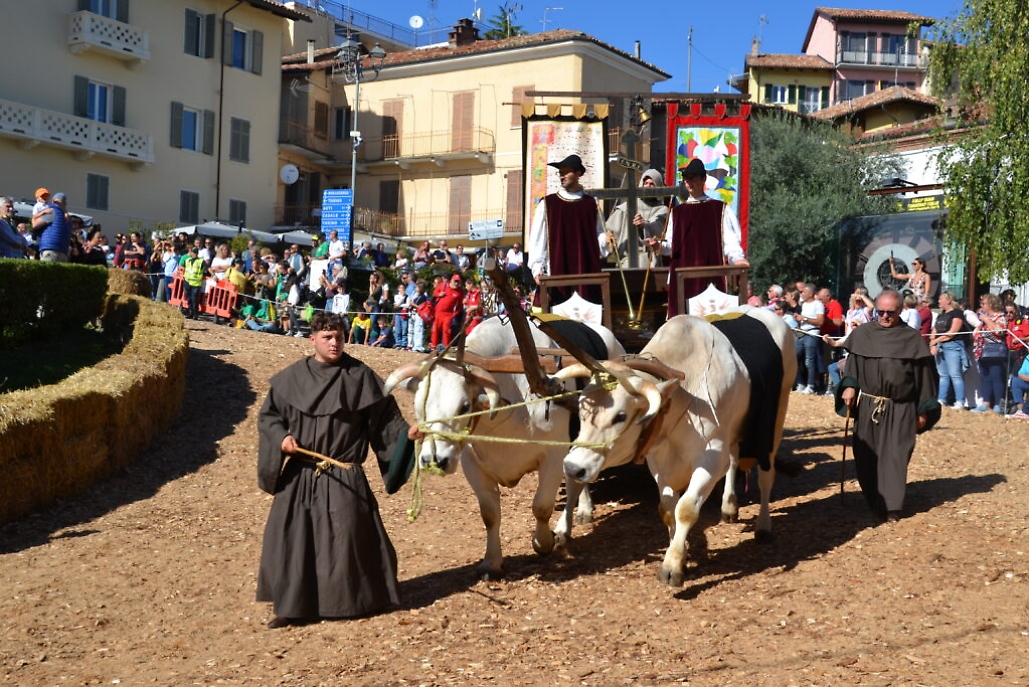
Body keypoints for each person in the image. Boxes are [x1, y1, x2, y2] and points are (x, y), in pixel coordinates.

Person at [256, 311, 414, 629]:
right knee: (293, 540)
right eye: (327, 337)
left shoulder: (360, 377)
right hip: (301, 474)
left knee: (349, 538)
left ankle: (358, 600)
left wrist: (407, 437)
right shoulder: (291, 379)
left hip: (344, 473)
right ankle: (291, 607)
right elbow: (269, 418)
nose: (334, 342)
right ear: (312, 339)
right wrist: (280, 438)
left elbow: (386, 423)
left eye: (339, 336)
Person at [836, 289, 940, 523]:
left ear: (900, 310)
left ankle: (892, 506)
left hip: (901, 407)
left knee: (895, 455)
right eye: (880, 311)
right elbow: (852, 365)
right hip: (869, 405)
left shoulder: (911, 339)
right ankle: (875, 499)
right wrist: (850, 386)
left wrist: (924, 411)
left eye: (890, 312)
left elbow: (926, 378)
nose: (884, 316)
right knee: (866, 455)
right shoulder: (863, 334)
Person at [646, 158, 748, 318]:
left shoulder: (719, 209)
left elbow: (730, 242)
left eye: (692, 178)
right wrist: (658, 246)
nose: (688, 182)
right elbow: (672, 246)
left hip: (710, 278)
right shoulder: (677, 212)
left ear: (703, 179)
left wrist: (738, 259)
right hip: (682, 281)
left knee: (714, 324)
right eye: (686, 179)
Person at [526, 153, 610, 303]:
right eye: (560, 172)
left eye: (566, 172)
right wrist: (537, 269)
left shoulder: (592, 204)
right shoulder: (548, 204)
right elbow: (537, 241)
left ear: (578, 173)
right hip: (556, 278)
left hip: (586, 275)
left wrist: (606, 240)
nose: (562, 176)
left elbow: (598, 235)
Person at [605, 168, 668, 268]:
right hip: (627, 262)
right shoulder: (626, 208)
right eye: (646, 183)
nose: (648, 186)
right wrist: (609, 236)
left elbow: (659, 229)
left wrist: (644, 226)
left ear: (658, 187)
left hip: (651, 263)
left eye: (652, 184)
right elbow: (609, 232)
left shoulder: (662, 210)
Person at [929, 291, 971, 410]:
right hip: (940, 346)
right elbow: (935, 330)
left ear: (948, 300)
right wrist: (933, 344)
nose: (939, 302)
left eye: (941, 299)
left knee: (955, 375)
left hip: (953, 346)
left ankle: (960, 401)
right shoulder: (941, 315)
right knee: (943, 375)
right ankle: (941, 400)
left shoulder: (957, 313)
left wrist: (935, 341)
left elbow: (952, 332)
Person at [971, 293, 1008, 414]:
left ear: (991, 304)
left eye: (983, 304)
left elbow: (999, 331)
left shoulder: (1000, 317)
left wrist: (986, 321)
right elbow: (976, 334)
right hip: (982, 351)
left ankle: (998, 404)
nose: (981, 306)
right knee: (985, 378)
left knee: (996, 377)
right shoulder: (983, 320)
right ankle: (986, 403)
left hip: (995, 351)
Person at [792, 283, 824, 394]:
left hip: (812, 333)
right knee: (794, 358)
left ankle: (810, 386)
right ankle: (800, 383)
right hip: (801, 333)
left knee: (809, 360)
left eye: (804, 292)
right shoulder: (804, 305)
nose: (802, 294)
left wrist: (804, 318)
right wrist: (799, 319)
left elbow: (820, 321)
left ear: (810, 293)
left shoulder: (818, 304)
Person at [431, 272, 465, 350]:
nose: (456, 283)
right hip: (438, 312)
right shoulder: (443, 285)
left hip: (448, 314)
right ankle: (433, 347)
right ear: (451, 281)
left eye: (458, 282)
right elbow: (435, 292)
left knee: (446, 331)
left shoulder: (459, 292)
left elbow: (460, 305)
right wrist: (439, 294)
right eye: (455, 281)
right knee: (435, 330)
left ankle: (445, 348)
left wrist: (455, 314)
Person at [181, 245, 206, 320]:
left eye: (196, 252)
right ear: (190, 252)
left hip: (196, 283)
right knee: (188, 298)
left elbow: (207, 268)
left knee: (194, 299)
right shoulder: (187, 260)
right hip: (187, 281)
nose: (194, 254)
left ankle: (195, 314)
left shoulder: (201, 261)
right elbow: (184, 268)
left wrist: (213, 275)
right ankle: (190, 313)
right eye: (193, 252)